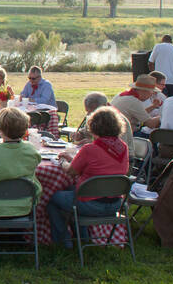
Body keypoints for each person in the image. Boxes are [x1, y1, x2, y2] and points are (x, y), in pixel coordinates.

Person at [49, 106, 129, 248]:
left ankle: (63, 240)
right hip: (115, 203)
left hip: (90, 204)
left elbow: (71, 171)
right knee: (69, 189)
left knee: (53, 198)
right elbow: (104, 167)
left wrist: (62, 162)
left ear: (93, 126)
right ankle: (83, 237)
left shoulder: (90, 149)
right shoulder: (123, 147)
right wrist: (73, 159)